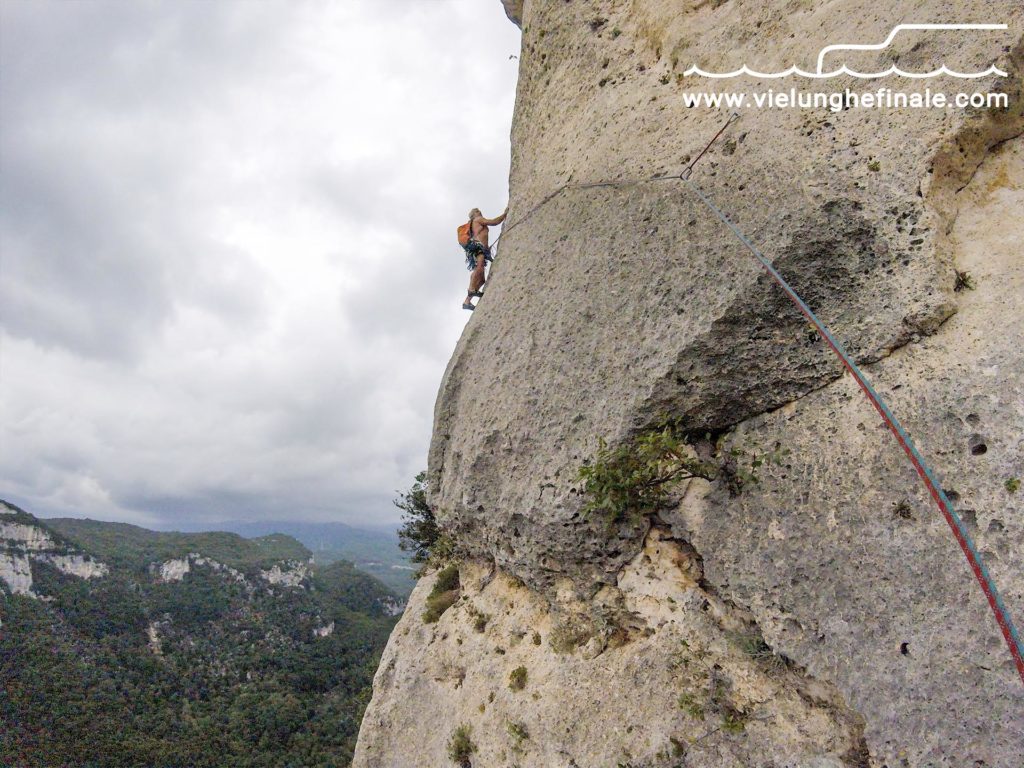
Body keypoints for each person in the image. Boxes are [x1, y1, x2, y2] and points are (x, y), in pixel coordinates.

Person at [462, 205, 507, 311]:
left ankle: (467, 301)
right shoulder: (478, 220)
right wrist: (505, 214)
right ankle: (472, 289)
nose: (480, 211)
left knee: (481, 280)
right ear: (473, 215)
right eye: (477, 211)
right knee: (479, 266)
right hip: (478, 247)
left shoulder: (474, 224)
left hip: (480, 249)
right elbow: (494, 222)